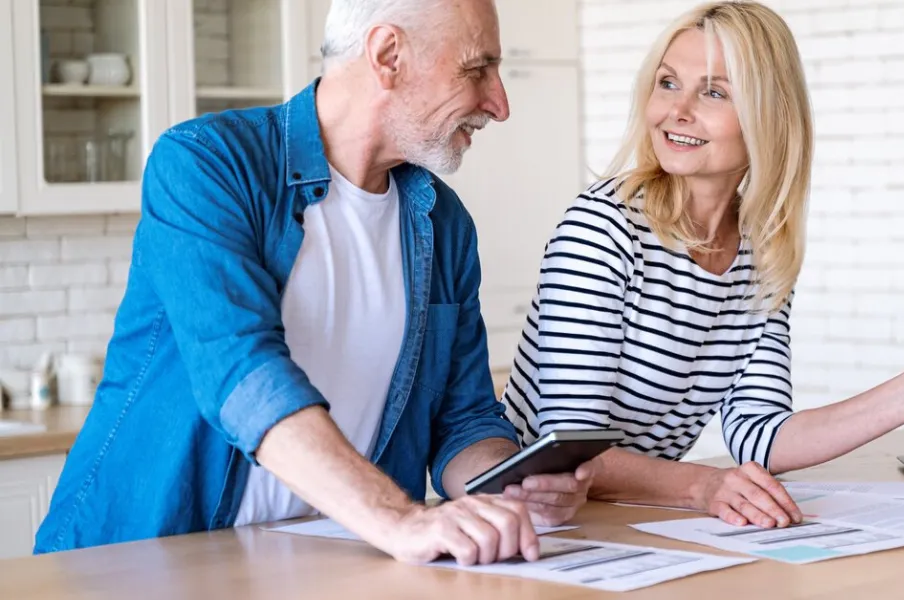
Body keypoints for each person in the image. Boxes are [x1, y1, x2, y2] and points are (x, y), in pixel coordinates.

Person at [35, 0, 592, 565]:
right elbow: (242, 375)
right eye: (477, 69)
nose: (499, 104)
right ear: (388, 55)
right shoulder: (208, 164)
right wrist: (399, 518)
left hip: (322, 568)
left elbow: (463, 418)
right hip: (134, 564)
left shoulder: (443, 224)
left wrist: (508, 482)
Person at [500, 0, 904, 530]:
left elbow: (760, 436)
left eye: (714, 93)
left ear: (766, 116)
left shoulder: (762, 251)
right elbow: (565, 444)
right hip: (526, 522)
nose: (677, 110)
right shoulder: (604, 227)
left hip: (625, 520)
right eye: (667, 82)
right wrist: (701, 487)